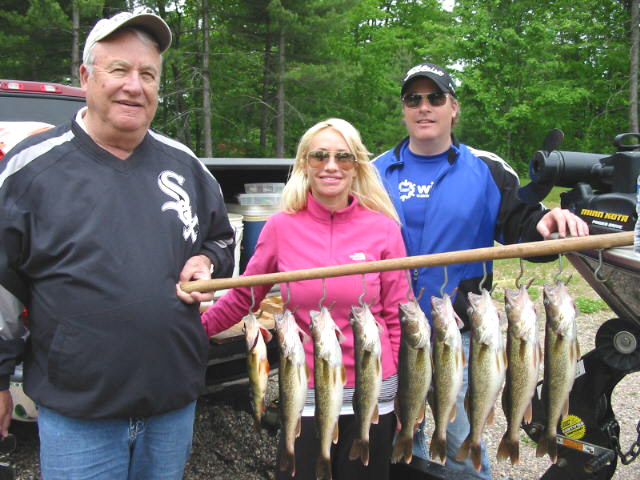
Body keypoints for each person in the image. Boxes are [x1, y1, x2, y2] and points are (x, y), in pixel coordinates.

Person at [0, 11, 235, 480]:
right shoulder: (32, 169)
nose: (134, 86)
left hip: (171, 406)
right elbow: (3, 284)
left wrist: (207, 260)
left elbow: (222, 238)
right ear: (86, 76)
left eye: (148, 74)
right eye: (119, 70)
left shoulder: (186, 166)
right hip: (78, 416)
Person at [373, 62, 589, 479]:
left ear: (453, 107)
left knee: (460, 445)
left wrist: (546, 226)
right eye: (413, 99)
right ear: (404, 109)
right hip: (393, 332)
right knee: (398, 441)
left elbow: (520, 224)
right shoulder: (375, 171)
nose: (424, 107)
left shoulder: (486, 168)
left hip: (462, 334)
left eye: (435, 98)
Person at [201, 118, 409, 480]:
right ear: (304, 164)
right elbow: (243, 297)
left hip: (374, 390)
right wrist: (192, 331)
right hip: (307, 390)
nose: (331, 166)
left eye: (343, 157)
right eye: (320, 156)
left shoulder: (384, 229)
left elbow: (396, 315)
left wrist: (406, 394)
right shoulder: (280, 227)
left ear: (357, 165)